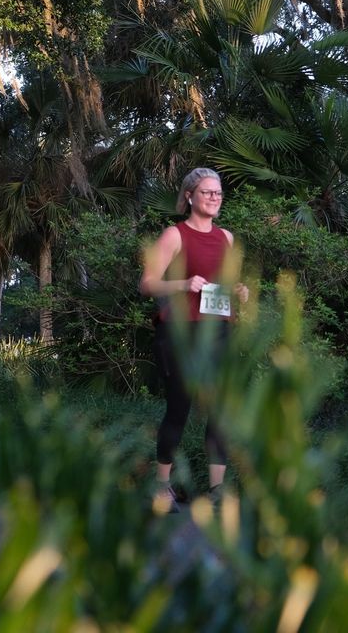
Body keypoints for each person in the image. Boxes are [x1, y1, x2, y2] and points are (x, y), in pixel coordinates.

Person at [139, 167, 249, 513]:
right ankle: (161, 488)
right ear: (189, 196)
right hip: (181, 332)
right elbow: (147, 283)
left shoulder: (227, 238)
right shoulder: (175, 235)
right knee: (179, 409)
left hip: (218, 331)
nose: (215, 198)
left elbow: (223, 284)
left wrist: (240, 291)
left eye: (218, 193)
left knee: (219, 412)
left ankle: (217, 491)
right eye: (207, 192)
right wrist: (183, 285)